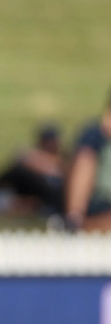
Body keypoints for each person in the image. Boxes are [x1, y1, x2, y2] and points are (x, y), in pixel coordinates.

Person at [0, 122, 65, 218]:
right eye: (47, 140)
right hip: (37, 189)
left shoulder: (63, 159)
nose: (49, 144)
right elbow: (22, 155)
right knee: (16, 172)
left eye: (51, 140)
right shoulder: (40, 157)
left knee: (17, 171)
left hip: (53, 194)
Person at [64, 91, 111, 231]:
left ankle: (84, 226)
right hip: (97, 202)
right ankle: (74, 221)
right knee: (85, 158)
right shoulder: (95, 136)